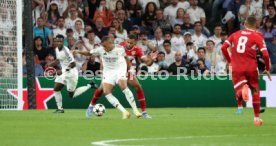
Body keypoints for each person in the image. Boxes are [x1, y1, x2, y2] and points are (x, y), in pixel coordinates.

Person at [88, 34, 156, 118]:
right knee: (101, 88)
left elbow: (147, 62)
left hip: (127, 71)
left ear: (135, 42)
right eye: (127, 42)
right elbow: (105, 57)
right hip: (114, 70)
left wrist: (151, 60)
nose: (128, 44)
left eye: (131, 43)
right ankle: (91, 106)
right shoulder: (119, 46)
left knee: (138, 86)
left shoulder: (138, 50)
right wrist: (102, 71)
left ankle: (144, 112)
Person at [74, 36, 142, 119]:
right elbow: (89, 53)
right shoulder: (101, 49)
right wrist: (78, 52)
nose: (104, 48)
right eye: (103, 46)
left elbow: (126, 58)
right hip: (108, 72)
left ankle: (135, 111)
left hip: (119, 69)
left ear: (110, 43)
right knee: (106, 92)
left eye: (105, 46)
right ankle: (125, 112)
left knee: (123, 86)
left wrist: (130, 68)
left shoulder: (120, 48)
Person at [221, 16, 271, 126]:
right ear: (256, 24)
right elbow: (266, 54)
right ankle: (257, 118)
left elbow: (223, 48)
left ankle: (242, 90)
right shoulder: (257, 35)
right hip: (251, 67)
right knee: (255, 90)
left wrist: (230, 61)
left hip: (237, 67)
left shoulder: (235, 34)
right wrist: (267, 69)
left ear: (245, 24)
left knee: (239, 88)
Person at [47, 35, 97, 113]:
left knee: (72, 95)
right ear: (55, 41)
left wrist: (62, 71)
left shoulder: (66, 51)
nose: (59, 43)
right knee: (56, 89)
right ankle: (60, 109)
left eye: (61, 41)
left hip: (71, 74)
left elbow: (73, 64)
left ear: (64, 41)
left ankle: (90, 85)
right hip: (64, 73)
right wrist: (50, 64)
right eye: (57, 41)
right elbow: (58, 60)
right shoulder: (56, 49)